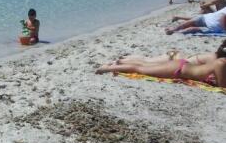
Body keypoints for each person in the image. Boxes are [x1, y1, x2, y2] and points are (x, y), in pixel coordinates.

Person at [96, 41, 226, 87]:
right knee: (140, 68)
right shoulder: (221, 63)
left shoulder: (219, 61)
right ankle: (106, 69)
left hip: (181, 66)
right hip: (179, 69)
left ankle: (112, 66)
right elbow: (222, 86)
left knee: (144, 65)